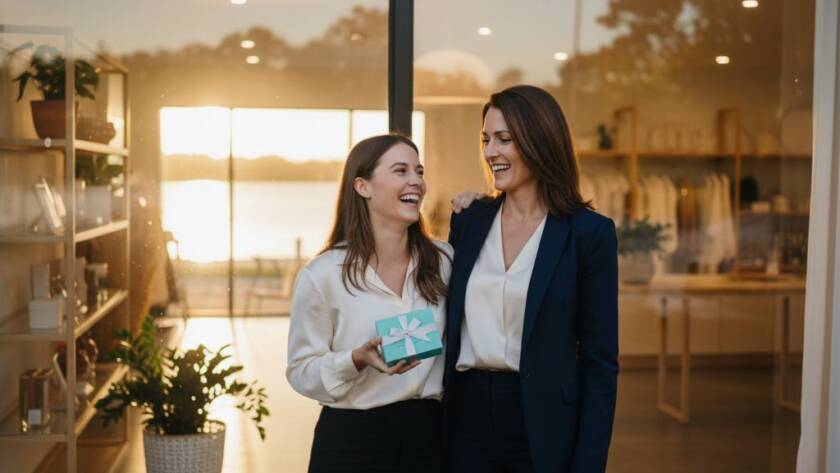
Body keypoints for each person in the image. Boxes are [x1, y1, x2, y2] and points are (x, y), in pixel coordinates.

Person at [445, 85, 619, 473]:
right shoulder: (468, 220)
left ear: (539, 140)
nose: (491, 152)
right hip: (466, 418)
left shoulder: (589, 234)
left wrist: (588, 464)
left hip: (543, 424)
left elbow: (600, 364)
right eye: (487, 140)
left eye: (504, 139)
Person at [286, 134, 453, 473]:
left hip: (428, 437)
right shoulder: (323, 275)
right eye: (401, 171)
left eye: (419, 172)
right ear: (363, 186)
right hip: (351, 441)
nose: (416, 182)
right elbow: (300, 371)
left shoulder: (444, 261)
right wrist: (355, 360)